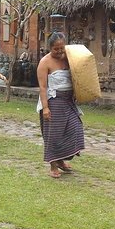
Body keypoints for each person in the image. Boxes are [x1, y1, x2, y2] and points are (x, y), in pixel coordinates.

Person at [36, 31, 85, 178]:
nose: (59, 51)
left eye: (61, 48)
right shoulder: (44, 62)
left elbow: (77, 76)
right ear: (50, 48)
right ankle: (53, 164)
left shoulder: (69, 58)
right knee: (54, 134)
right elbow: (43, 87)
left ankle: (61, 161)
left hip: (68, 101)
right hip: (53, 101)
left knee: (75, 129)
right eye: (55, 49)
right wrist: (45, 107)